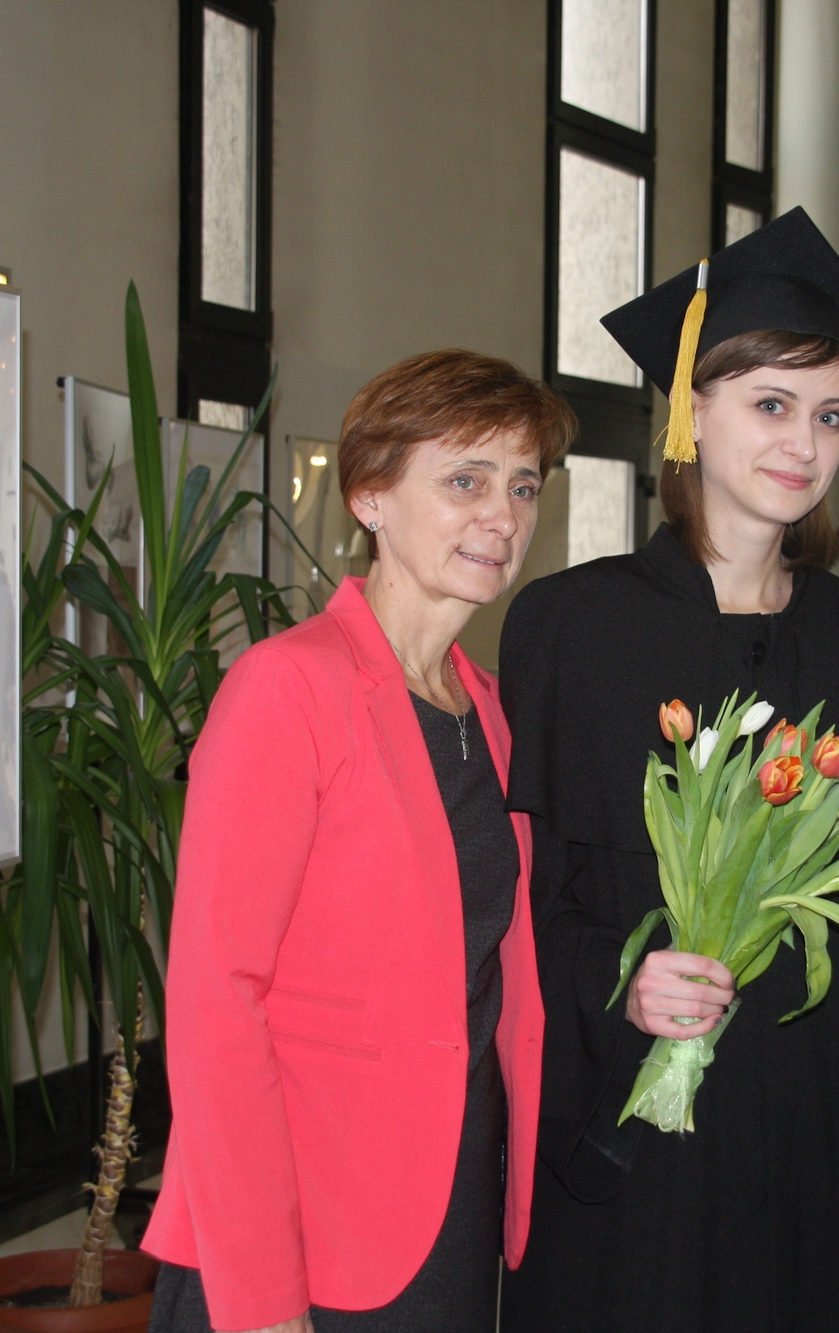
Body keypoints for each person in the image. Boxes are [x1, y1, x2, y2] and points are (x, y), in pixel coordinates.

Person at [499, 208, 839, 1332]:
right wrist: (621, 980)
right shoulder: (571, 624)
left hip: (819, 1118)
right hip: (643, 1122)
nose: (805, 444)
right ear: (691, 411)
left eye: (830, 415)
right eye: (771, 405)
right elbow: (522, 902)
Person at [141, 349, 574, 1333]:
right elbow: (216, 1002)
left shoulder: (489, 709)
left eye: (522, 486)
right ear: (370, 495)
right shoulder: (287, 687)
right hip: (301, 1229)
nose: (502, 517)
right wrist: (261, 1296)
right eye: (464, 481)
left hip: (450, 1212)